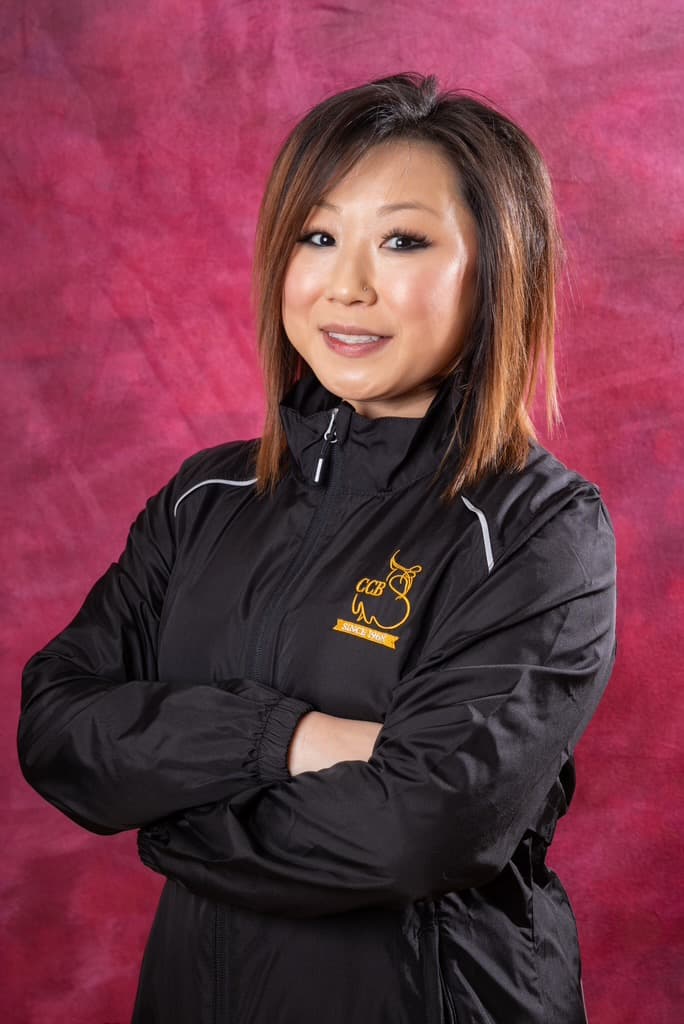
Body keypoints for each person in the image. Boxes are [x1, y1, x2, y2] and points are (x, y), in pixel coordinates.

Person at [18, 72, 617, 1024]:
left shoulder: (538, 530)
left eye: (404, 241)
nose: (348, 285)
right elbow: (56, 726)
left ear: (500, 268)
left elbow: (414, 833)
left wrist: (165, 809)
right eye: (319, 235)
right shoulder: (207, 497)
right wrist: (283, 740)